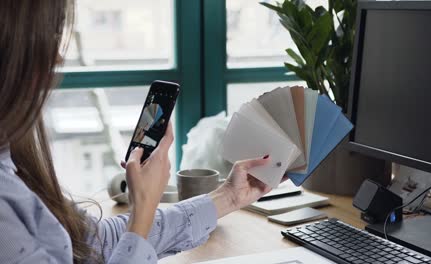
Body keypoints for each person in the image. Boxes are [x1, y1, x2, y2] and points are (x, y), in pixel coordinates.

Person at [0, 1, 276, 263]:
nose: (57, 56)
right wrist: (142, 210)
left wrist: (228, 196)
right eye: (48, 34)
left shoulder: (10, 164)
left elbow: (98, 243)